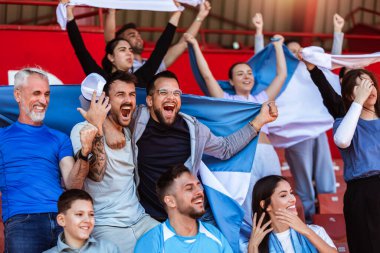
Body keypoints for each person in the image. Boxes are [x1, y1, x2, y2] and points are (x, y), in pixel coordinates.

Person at [103, 70, 279, 221]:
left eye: (176, 93)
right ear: (150, 100)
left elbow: (225, 149)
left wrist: (260, 120)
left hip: (189, 214)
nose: (171, 97)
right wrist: (107, 125)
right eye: (163, 92)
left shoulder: (193, 129)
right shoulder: (136, 119)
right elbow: (99, 105)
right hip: (149, 217)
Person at [184, 32, 286, 224]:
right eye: (240, 74)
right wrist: (195, 44)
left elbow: (282, 75)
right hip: (246, 156)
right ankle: (249, 236)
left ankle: (277, 232)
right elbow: (206, 76)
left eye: (249, 73)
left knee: (276, 191)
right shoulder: (227, 100)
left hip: (268, 153)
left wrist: (279, 46)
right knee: (248, 198)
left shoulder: (262, 98)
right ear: (231, 81)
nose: (246, 77)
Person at [254, 13, 346, 223]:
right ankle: (310, 223)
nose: (296, 54)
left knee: (326, 180)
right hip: (294, 135)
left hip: (317, 131)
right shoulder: (282, 74)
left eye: (299, 51)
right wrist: (259, 33)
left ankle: (327, 219)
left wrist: (338, 32)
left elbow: (333, 64)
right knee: (304, 184)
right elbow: (261, 65)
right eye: (292, 52)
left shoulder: (313, 71)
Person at [0, 68, 96, 253]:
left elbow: (73, 184)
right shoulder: (2, 136)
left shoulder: (59, 138)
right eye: (36, 93)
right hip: (22, 220)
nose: (43, 101)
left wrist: (84, 153)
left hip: (62, 219)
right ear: (18, 95)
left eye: (47, 94)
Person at [71, 71, 159, 252]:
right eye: (120, 95)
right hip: (107, 225)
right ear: (106, 101)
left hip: (141, 220)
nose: (128, 100)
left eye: (132, 95)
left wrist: (107, 124)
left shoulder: (131, 131)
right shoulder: (81, 130)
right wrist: (98, 125)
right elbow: (96, 174)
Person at [64, 2, 181, 87]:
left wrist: (177, 13)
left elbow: (160, 50)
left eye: (130, 50)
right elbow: (80, 49)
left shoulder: (140, 78)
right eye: (122, 49)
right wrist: (69, 14)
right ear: (111, 57)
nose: (129, 53)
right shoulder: (101, 79)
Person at [134, 164, 233, 253]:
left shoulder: (215, 235)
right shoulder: (151, 242)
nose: (199, 191)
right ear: (170, 201)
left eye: (199, 186)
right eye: (189, 188)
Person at [333, 69, 380, 253]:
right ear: (348, 94)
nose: (368, 88)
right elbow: (343, 140)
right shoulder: (343, 123)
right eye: (360, 85)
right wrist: (359, 101)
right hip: (363, 191)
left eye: (370, 83)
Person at [104, 1, 211, 72]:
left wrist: (200, 16)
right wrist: (112, 9)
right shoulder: (121, 63)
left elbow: (185, 42)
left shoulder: (155, 62)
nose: (138, 37)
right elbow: (110, 40)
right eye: (132, 35)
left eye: (139, 35)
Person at [247, 175, 337, 253]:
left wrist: (307, 231)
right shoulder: (255, 244)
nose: (293, 199)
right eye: (283, 195)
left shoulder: (316, 231)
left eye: (291, 193)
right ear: (266, 205)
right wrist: (253, 248)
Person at [43, 189, 120, 253]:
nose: (87, 220)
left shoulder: (108, 249)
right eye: (79, 214)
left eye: (91, 214)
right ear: (62, 220)